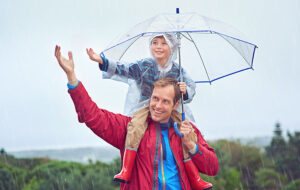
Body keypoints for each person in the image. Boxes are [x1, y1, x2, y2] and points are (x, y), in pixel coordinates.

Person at [55, 45, 219, 190]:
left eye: (165, 101)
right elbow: (92, 116)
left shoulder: (187, 130)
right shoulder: (130, 128)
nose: (158, 106)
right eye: (155, 98)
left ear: (176, 105)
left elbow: (212, 168)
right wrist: (72, 78)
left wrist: (191, 145)